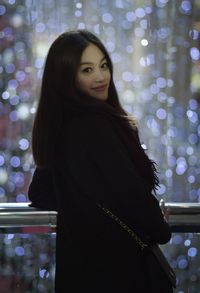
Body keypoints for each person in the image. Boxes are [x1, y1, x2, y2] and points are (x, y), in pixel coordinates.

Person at [28, 29, 173, 292]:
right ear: (66, 77)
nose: (100, 76)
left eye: (103, 65)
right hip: (120, 272)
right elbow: (133, 194)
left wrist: (83, 208)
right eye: (87, 70)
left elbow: (39, 193)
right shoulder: (96, 125)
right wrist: (161, 228)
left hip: (80, 271)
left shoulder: (59, 124)